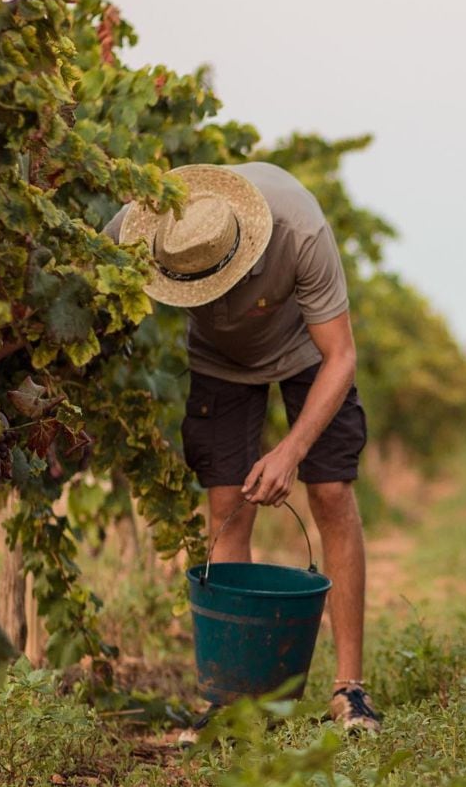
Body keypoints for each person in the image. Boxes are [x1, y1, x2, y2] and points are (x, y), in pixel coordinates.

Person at [107, 162, 381, 734]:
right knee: (228, 504)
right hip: (219, 362)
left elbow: (342, 356)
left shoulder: (300, 232)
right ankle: (237, 699)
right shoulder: (140, 227)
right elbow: (85, 282)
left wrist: (291, 450)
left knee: (330, 493)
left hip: (308, 351)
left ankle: (349, 690)